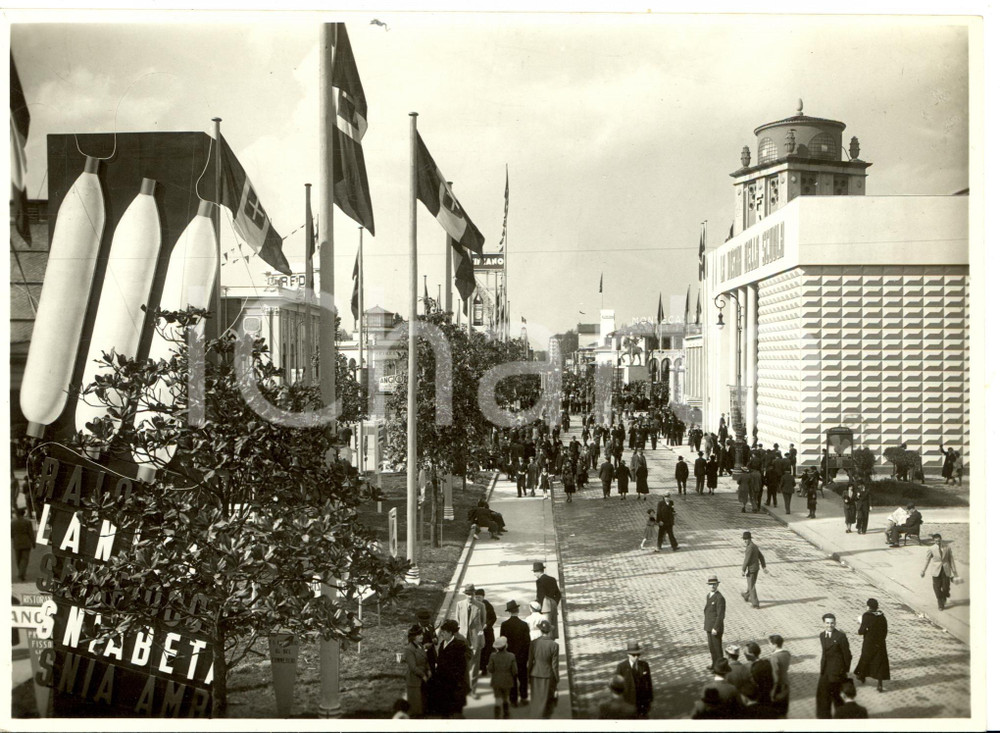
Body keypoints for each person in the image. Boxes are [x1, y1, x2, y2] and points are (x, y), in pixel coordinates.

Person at [430, 619, 470, 718]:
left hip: (452, 680)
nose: (442, 634)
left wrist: (456, 678)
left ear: (451, 633)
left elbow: (462, 665)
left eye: (444, 632)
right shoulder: (443, 643)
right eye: (441, 631)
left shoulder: (458, 645)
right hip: (442, 679)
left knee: (452, 705)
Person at [816, 613, 852, 719]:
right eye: (827, 623)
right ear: (824, 623)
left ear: (835, 623)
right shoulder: (822, 635)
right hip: (825, 672)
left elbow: (847, 655)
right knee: (823, 698)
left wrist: (844, 671)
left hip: (837, 673)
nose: (830, 625)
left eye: (832, 623)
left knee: (838, 699)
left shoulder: (841, 636)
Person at [854, 598, 890, 692]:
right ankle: (880, 685)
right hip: (880, 643)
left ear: (868, 606)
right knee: (879, 663)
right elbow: (885, 630)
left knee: (865, 658)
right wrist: (881, 640)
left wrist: (861, 625)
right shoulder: (882, 616)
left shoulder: (867, 616)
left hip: (869, 643)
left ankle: (861, 675)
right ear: (877, 607)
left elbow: (861, 631)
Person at [456, 584, 485, 698]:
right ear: (465, 594)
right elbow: (458, 621)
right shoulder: (459, 605)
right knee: (463, 665)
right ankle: (464, 688)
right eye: (467, 594)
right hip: (463, 640)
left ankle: (473, 690)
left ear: (474, 594)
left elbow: (482, 622)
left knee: (474, 667)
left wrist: (477, 636)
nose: (470, 596)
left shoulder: (480, 606)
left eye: (472, 594)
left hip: (475, 640)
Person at [499, 601, 530, 707]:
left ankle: (513, 700)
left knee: (512, 678)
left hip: (509, 657)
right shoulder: (524, 625)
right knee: (523, 677)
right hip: (522, 657)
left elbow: (502, 642)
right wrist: (527, 656)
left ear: (509, 612)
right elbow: (527, 642)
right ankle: (524, 697)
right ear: (518, 610)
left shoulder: (504, 625)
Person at [527, 619, 559, 718]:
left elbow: (530, 660)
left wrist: (528, 675)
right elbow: (554, 665)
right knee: (547, 700)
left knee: (536, 699)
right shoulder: (554, 645)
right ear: (549, 631)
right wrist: (556, 679)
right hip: (548, 675)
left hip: (535, 673)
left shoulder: (533, 643)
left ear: (541, 630)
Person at [921, 532, 960, 610]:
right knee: (937, 588)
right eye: (936, 541)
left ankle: (945, 595)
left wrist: (955, 572)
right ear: (934, 541)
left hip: (946, 570)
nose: (937, 542)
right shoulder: (931, 548)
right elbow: (927, 560)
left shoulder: (947, 548)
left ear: (941, 540)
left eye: (939, 540)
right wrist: (923, 570)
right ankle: (940, 604)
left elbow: (951, 560)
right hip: (936, 570)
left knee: (945, 587)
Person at [615, 641, 653, 718]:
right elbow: (617, 687)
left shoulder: (644, 665)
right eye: (634, 655)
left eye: (638, 654)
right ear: (628, 654)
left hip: (643, 703)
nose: (636, 657)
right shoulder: (621, 667)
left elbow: (649, 683)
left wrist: (650, 699)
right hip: (628, 703)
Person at [403, 624, 430, 717]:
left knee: (423, 705)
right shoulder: (409, 649)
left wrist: (429, 669)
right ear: (413, 637)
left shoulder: (420, 646)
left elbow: (426, 660)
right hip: (414, 680)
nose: (422, 636)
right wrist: (423, 675)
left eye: (422, 634)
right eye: (419, 635)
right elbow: (413, 667)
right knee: (416, 708)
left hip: (423, 679)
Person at [487, 636, 517, 719]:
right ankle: (506, 714)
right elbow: (515, 671)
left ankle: (497, 715)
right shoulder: (511, 656)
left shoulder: (493, 656)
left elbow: (490, 669)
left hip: (496, 680)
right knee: (505, 698)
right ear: (506, 646)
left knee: (497, 699)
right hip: (507, 680)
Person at [533, 561, 562, 640]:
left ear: (538, 571)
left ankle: (548, 643)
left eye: (534, 572)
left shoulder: (539, 581)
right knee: (553, 625)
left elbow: (540, 596)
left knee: (546, 626)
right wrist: (554, 603)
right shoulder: (552, 579)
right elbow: (558, 594)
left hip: (545, 606)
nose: (534, 574)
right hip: (553, 605)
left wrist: (539, 608)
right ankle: (553, 641)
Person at [741, 531, 768, 609]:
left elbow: (747, 560)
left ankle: (755, 603)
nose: (745, 541)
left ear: (750, 539)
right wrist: (764, 567)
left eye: (746, 539)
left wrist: (743, 569)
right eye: (744, 539)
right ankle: (746, 595)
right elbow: (761, 556)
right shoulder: (755, 546)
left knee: (751, 585)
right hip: (756, 569)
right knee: (751, 584)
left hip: (752, 570)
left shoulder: (750, 548)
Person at [704, 575, 726, 670]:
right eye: (711, 584)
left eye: (714, 584)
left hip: (715, 628)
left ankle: (721, 668)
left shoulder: (719, 598)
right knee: (712, 648)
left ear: (717, 585)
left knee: (717, 649)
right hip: (709, 626)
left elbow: (720, 615)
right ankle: (714, 665)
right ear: (708, 585)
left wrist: (715, 628)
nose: (712, 586)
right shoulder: (709, 596)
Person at [768, 634, 791, 717]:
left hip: (778, 686)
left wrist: (772, 691)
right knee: (784, 710)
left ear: (775, 645)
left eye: (770, 644)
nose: (769, 646)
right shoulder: (787, 654)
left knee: (776, 711)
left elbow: (775, 675)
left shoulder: (774, 657)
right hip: (786, 683)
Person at [477, 588, 497, 677]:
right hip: (477, 633)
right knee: (479, 650)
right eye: (476, 597)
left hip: (487, 632)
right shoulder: (473, 605)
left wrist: (487, 625)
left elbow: (493, 618)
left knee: (487, 649)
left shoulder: (487, 605)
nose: (478, 599)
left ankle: (485, 666)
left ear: (483, 597)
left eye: (479, 597)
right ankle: (481, 667)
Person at [11, 507, 34, 582]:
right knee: (24, 559)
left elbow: (10, 534)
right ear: (24, 513)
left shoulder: (13, 522)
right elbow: (31, 533)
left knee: (18, 558)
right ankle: (22, 573)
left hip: (17, 542)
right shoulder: (27, 522)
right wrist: (33, 543)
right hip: (26, 542)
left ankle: (21, 572)